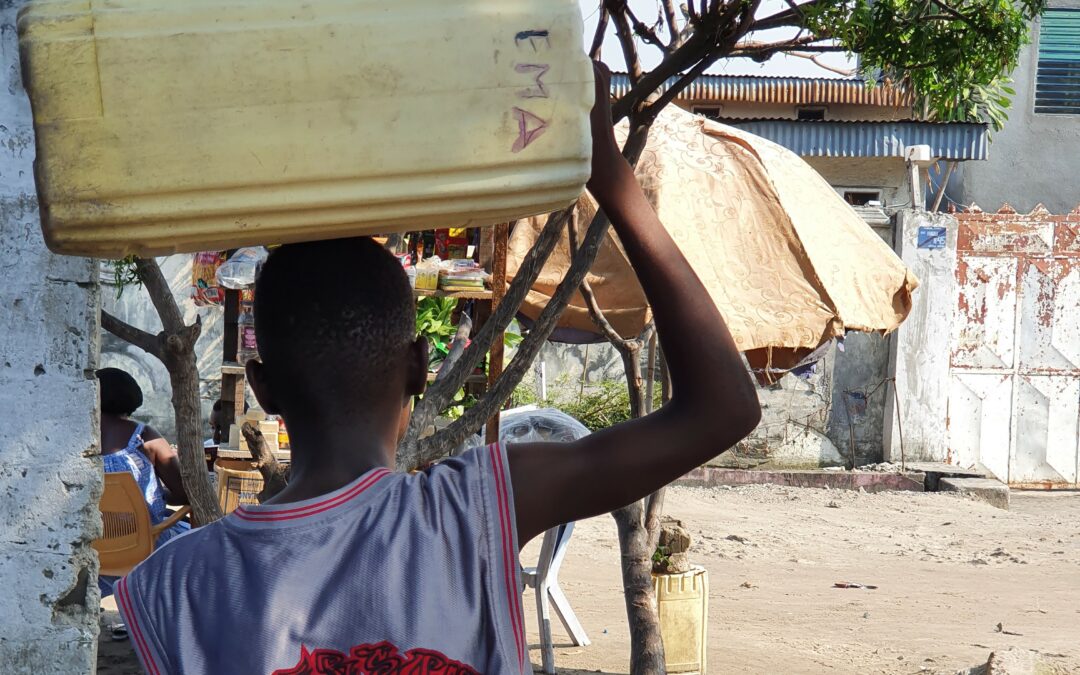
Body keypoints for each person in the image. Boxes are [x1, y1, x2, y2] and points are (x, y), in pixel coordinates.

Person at [115, 64, 760, 674]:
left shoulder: (172, 587)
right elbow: (724, 407)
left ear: (262, 387)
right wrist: (612, 176)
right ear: (419, 367)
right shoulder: (475, 512)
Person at [96, 368, 190, 599]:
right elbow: (184, 494)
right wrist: (154, 496)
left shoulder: (75, 438)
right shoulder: (144, 437)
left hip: (93, 545)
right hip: (146, 544)